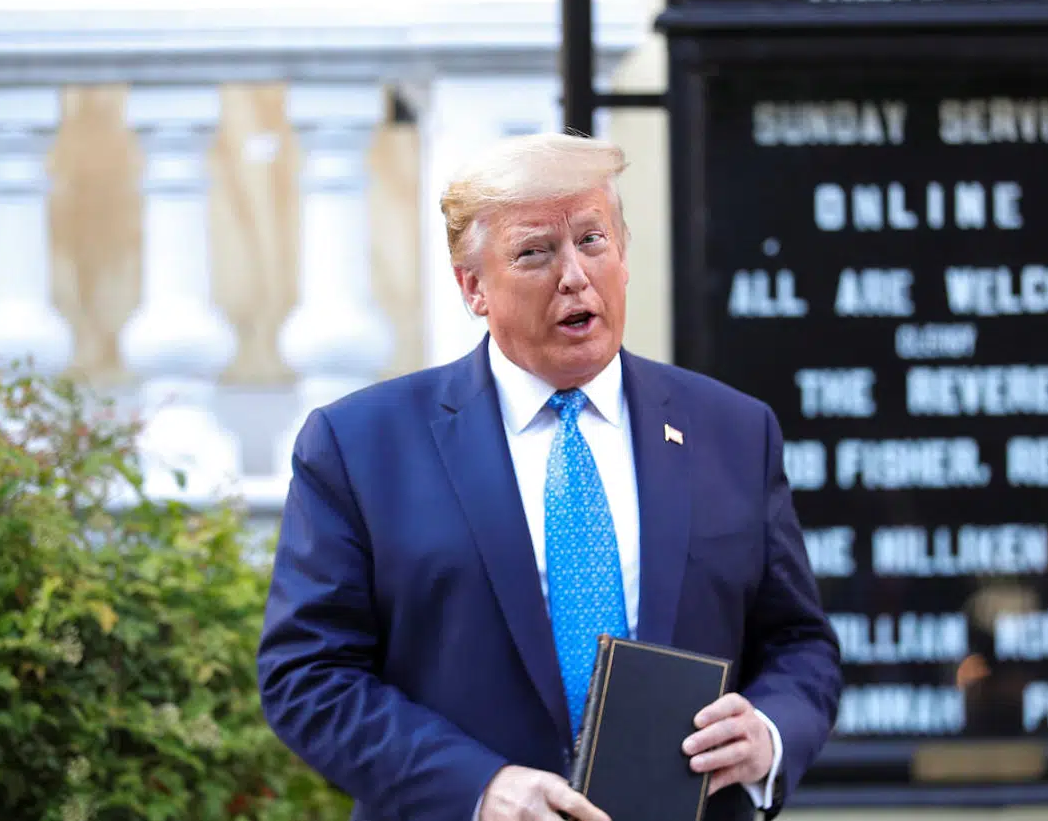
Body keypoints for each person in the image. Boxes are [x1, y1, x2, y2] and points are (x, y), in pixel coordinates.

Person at [256, 132, 842, 821]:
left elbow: (801, 646)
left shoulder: (733, 431)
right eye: (535, 252)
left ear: (623, 255)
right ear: (473, 286)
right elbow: (308, 675)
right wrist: (478, 786)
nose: (574, 275)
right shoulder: (360, 446)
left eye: (593, 241)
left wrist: (767, 733)